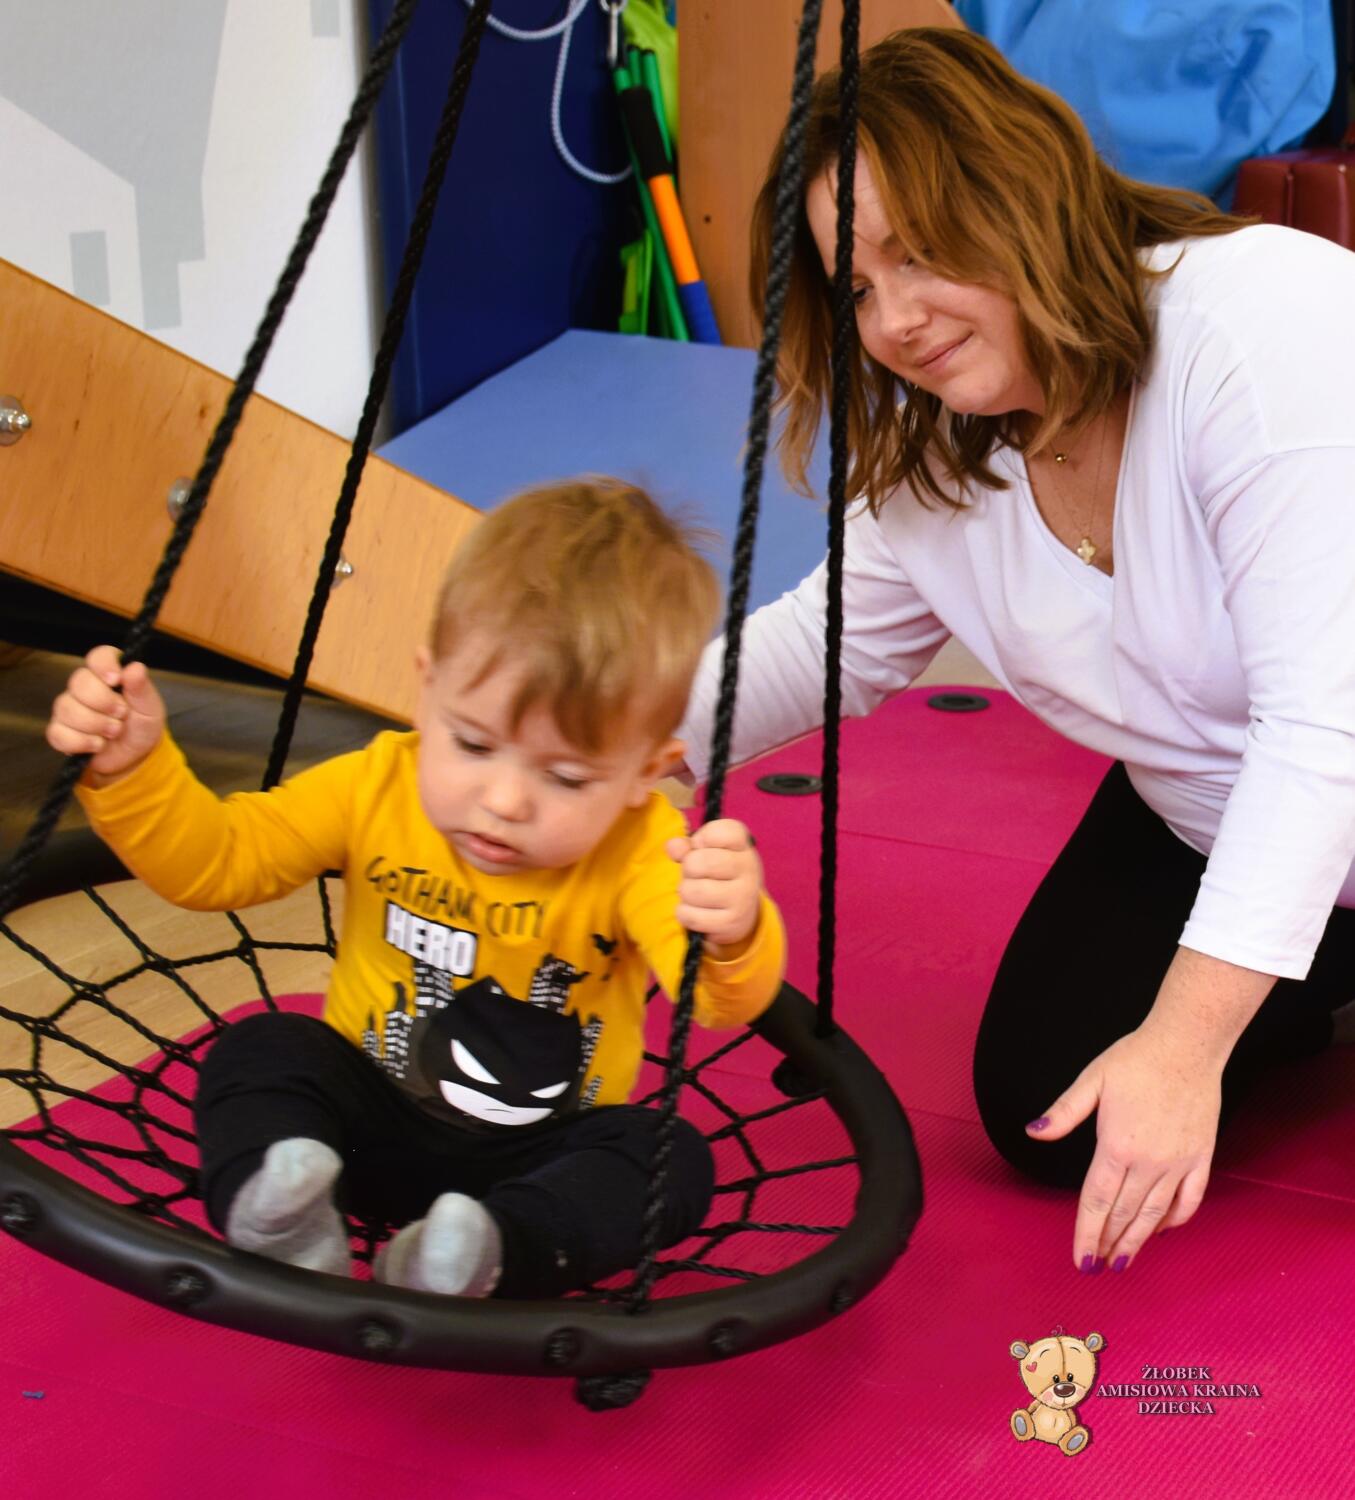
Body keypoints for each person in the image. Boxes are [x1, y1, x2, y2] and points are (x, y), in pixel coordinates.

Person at [679, 28, 1355, 1278]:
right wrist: (597, 753)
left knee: (1165, 1058)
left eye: (917, 252)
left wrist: (1184, 1044)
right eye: (855, 287)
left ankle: (1265, 975)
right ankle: (1305, 971)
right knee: (1050, 1107)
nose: (893, 320)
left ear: (1024, 197)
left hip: (1324, 766)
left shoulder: (1260, 322)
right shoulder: (952, 444)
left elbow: (1324, 732)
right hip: (1215, 815)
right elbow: (821, 647)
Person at [47, 479, 786, 1298]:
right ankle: (281, 1206)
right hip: (355, 1131)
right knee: (263, 1047)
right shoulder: (374, 786)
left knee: (668, 1156)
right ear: (427, 690)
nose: (503, 801)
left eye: (566, 777)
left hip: (536, 1161)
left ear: (646, 771)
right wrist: (135, 774)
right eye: (472, 744)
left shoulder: (644, 846)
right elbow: (217, 863)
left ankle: (483, 1251)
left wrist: (730, 929)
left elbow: (714, 1000)